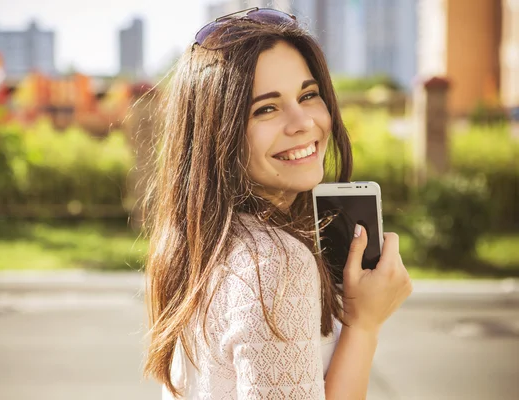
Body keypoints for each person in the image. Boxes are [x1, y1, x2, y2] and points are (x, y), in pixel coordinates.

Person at [142, 8, 412, 399]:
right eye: (265, 108)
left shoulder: (199, 241)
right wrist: (363, 325)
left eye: (308, 94)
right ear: (219, 132)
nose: (301, 121)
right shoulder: (275, 266)